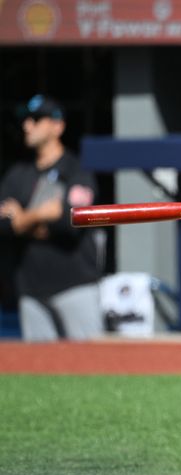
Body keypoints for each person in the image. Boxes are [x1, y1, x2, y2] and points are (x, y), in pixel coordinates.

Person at [0, 94, 103, 341]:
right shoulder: (18, 174)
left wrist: (23, 219)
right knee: (39, 372)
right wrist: (40, 215)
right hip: (31, 289)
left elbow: (69, 224)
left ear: (58, 125)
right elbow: (4, 226)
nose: (27, 125)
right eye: (26, 120)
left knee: (91, 367)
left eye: (36, 119)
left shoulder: (75, 170)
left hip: (75, 286)